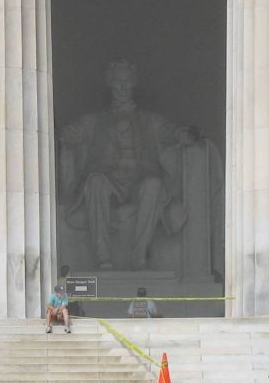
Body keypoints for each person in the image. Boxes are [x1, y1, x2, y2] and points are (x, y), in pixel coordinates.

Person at [58, 59, 196, 270]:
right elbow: (71, 133)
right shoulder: (93, 121)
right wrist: (66, 135)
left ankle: (140, 254)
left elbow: (171, 131)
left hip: (138, 179)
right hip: (106, 179)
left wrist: (183, 134)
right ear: (109, 83)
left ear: (133, 83)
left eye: (126, 81)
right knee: (94, 181)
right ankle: (102, 255)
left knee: (154, 184)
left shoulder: (149, 120)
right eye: (116, 81)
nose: (121, 87)